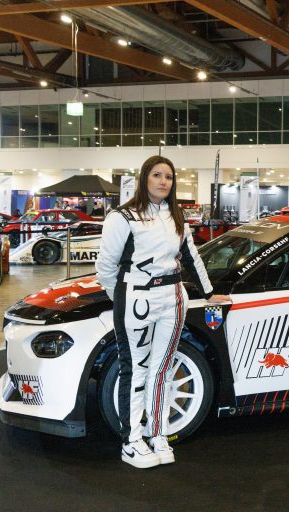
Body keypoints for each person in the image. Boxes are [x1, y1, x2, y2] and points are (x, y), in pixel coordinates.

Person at [96, 155, 230, 469]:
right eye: (157, 175)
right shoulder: (122, 216)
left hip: (173, 297)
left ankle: (158, 433)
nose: (163, 181)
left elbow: (192, 257)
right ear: (144, 178)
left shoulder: (176, 215)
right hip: (137, 298)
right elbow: (106, 267)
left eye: (168, 177)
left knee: (163, 369)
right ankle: (131, 441)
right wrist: (121, 297)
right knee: (135, 370)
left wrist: (208, 293)